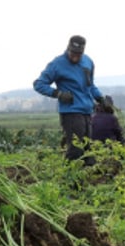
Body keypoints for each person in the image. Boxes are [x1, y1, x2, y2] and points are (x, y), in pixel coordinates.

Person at [33, 35, 106, 163]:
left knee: (88, 150)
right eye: (72, 53)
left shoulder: (88, 62)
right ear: (68, 48)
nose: (75, 56)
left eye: (78, 54)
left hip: (87, 111)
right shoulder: (57, 64)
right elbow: (39, 84)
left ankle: (87, 180)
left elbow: (91, 85)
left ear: (83, 52)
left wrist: (100, 98)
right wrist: (58, 94)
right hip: (70, 112)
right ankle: (69, 180)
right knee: (76, 151)